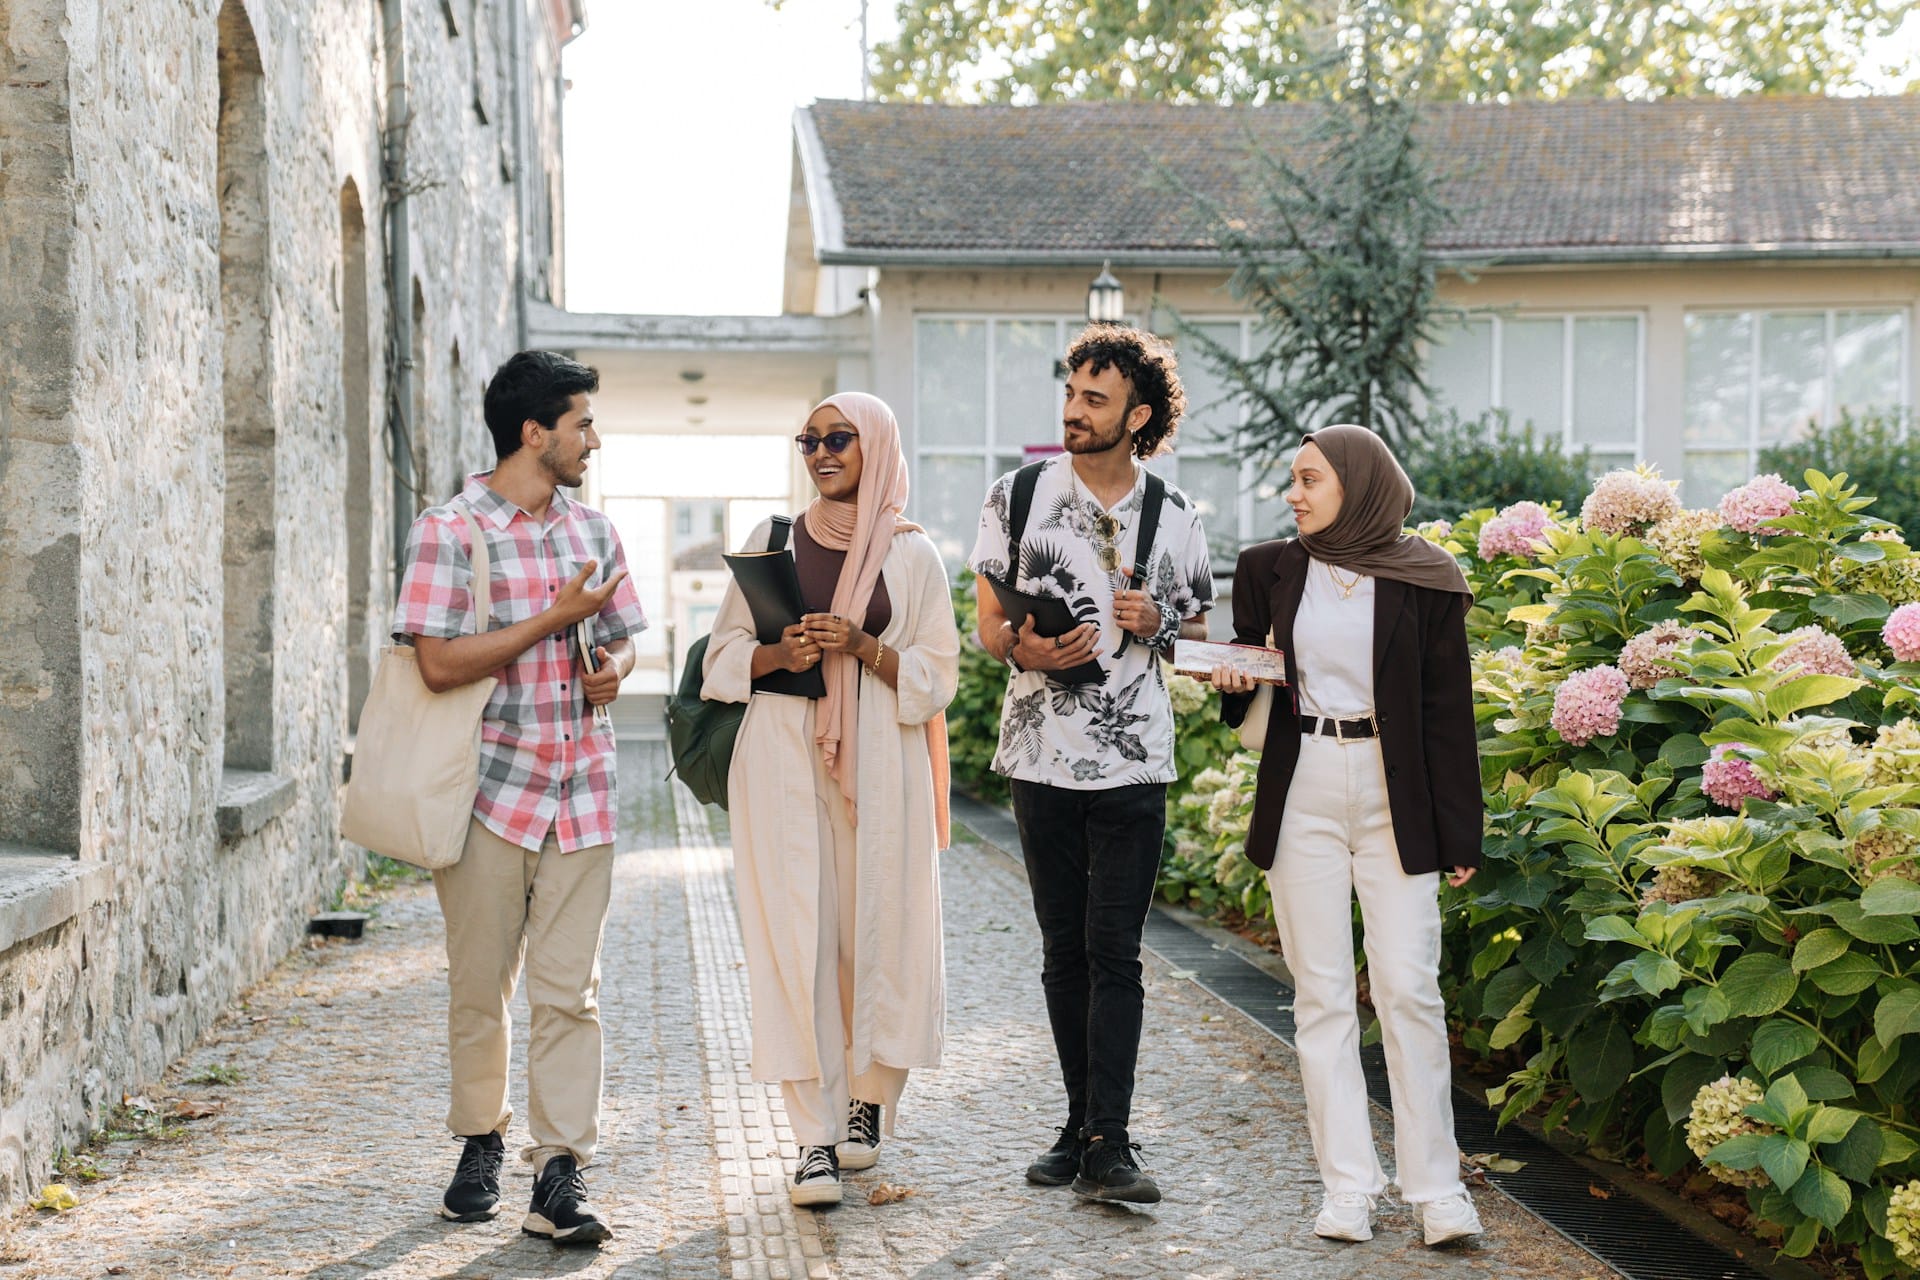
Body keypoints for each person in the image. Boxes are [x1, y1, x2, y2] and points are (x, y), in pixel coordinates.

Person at [1208, 424, 1483, 1247]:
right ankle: (1348, 1190)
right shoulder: (1268, 569)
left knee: (1409, 988)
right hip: (1305, 788)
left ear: (1359, 486)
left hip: (1396, 794)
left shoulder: (1426, 578)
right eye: (1292, 480)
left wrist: (1458, 830)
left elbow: (1447, 710)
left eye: (1309, 479)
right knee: (1322, 994)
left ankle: (1437, 1190)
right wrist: (1232, 677)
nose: (1293, 494)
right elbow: (1253, 679)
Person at [392, 350, 645, 1246]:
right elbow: (436, 663)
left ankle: (560, 1174)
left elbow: (621, 641)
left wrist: (611, 667)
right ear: (534, 432)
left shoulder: (596, 532)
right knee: (479, 987)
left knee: (570, 994)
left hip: (583, 791)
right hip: (487, 794)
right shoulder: (449, 531)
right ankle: (479, 1143)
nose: (593, 440)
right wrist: (553, 621)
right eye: (581, 424)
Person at [968, 324, 1215, 1205]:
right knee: (1062, 950)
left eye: (1095, 399)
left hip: (1134, 762)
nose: (1074, 411)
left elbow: (1200, 635)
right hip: (1037, 754)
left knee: (1118, 952)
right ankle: (1077, 1127)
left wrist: (1160, 625)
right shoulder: (1019, 494)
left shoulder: (1176, 516)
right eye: (1072, 394)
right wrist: (1018, 651)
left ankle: (1111, 1139)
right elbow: (986, 620)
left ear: (1138, 415)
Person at [702, 392, 959, 1208]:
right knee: (797, 935)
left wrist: (864, 647)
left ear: (874, 445)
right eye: (809, 439)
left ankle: (866, 1103)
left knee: (880, 926)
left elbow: (938, 673)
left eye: (838, 438)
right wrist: (785, 649)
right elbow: (722, 657)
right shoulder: (770, 540)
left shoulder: (913, 556)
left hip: (883, 756)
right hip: (779, 756)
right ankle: (812, 1139)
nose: (820, 452)